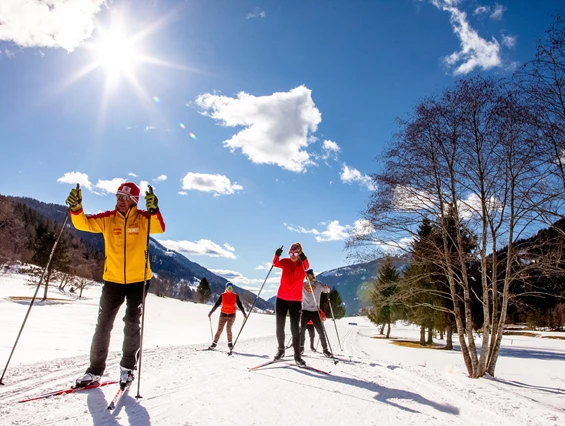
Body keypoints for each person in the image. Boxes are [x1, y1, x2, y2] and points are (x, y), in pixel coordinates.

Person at [65, 182, 165, 388]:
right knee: (103, 325)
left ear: (135, 201)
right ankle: (94, 371)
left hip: (139, 281)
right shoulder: (108, 219)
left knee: (131, 323)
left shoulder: (144, 219)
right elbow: (83, 223)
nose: (120, 200)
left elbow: (159, 228)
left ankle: (127, 368)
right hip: (112, 281)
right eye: (118, 196)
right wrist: (76, 208)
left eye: (125, 197)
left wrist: (154, 209)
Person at [272, 242, 309, 366]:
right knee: (279, 326)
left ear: (300, 253)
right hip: (281, 299)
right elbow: (275, 263)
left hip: (295, 301)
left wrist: (303, 256)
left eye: (296, 253)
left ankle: (297, 356)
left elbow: (307, 265)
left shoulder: (302, 264)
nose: (293, 255)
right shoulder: (285, 262)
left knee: (294, 329)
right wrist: (277, 255)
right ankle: (281, 350)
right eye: (291, 253)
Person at [300, 269, 332, 358]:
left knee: (321, 331)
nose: (307, 276)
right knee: (301, 331)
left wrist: (326, 288)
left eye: (309, 275)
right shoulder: (302, 284)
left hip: (315, 311)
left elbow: (327, 291)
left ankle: (325, 350)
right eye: (306, 275)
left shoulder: (318, 284)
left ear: (312, 275)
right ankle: (301, 348)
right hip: (305, 310)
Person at [207, 282, 247, 350]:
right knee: (219, 329)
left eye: (231, 288)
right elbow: (217, 304)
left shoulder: (235, 295)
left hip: (232, 315)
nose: (230, 289)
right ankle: (214, 344)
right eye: (228, 288)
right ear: (226, 288)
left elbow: (239, 305)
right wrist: (211, 312)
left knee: (228, 329)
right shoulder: (223, 295)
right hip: (223, 315)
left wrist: (244, 313)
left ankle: (230, 344)